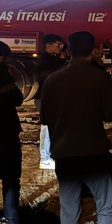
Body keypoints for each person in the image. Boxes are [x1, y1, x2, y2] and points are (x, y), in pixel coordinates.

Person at [40, 31, 112, 224]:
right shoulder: (98, 77)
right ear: (92, 50)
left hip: (65, 155)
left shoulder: (52, 80)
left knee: (69, 212)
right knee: (105, 208)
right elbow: (111, 114)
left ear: (68, 50)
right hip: (94, 153)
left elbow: (45, 119)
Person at [0, 42, 23, 224]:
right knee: (10, 179)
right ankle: (13, 222)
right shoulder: (2, 73)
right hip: (5, 132)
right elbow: (17, 98)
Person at [35, 33, 66, 169]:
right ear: (48, 46)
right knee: (46, 128)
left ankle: (49, 155)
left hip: (47, 97)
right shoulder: (46, 61)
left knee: (50, 127)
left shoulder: (51, 59)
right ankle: (45, 159)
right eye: (58, 44)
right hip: (44, 98)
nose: (61, 46)